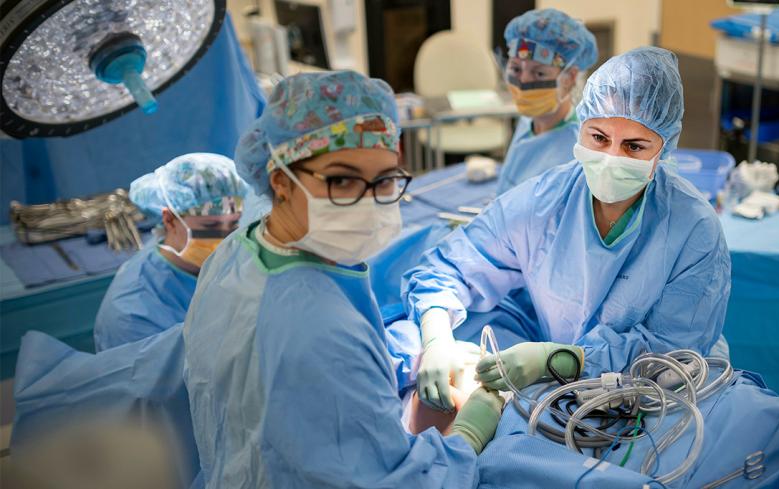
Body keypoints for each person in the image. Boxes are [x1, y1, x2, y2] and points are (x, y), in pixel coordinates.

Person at [183, 71, 504, 488]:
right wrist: (468, 437)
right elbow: (397, 481)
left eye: (384, 179)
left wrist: (397, 359)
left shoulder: (238, 251)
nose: (368, 202)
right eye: (342, 180)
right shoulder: (320, 330)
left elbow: (286, 381)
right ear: (280, 180)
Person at [403, 47, 731, 411]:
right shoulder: (545, 201)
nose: (611, 159)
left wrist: (564, 360)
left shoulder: (694, 229)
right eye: (599, 138)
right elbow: (450, 267)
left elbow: (671, 351)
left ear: (664, 147)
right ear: (582, 127)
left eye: (635, 146)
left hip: (653, 396)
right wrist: (436, 340)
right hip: (555, 383)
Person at [93, 153, 246, 352]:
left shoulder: (222, 266)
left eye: (234, 224)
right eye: (210, 225)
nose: (226, 237)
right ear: (170, 220)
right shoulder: (133, 314)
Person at [496, 8, 598, 195]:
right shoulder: (529, 122)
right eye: (516, 69)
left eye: (539, 73)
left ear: (569, 78)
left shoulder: (578, 148)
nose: (523, 81)